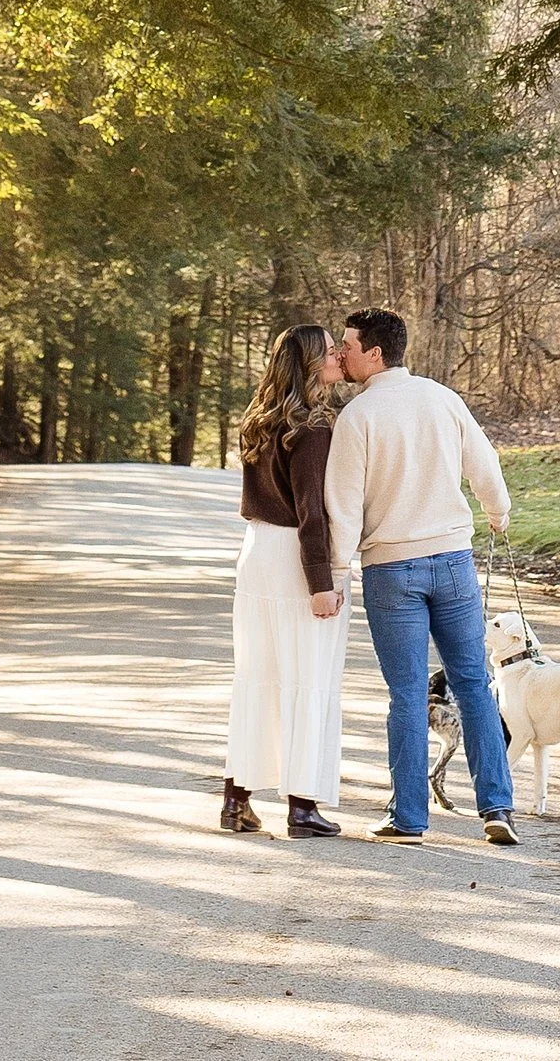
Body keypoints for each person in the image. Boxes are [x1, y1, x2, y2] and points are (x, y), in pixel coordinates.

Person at [324, 305, 519, 847]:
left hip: (390, 568)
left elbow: (341, 505)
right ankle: (497, 806)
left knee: (407, 693)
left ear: (374, 353)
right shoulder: (443, 398)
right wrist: (497, 514)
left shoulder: (358, 418)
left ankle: (409, 817)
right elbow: (485, 464)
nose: (342, 354)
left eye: (348, 346)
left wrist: (337, 572)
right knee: (474, 685)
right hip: (453, 560)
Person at [222, 321, 351, 839]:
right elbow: (311, 513)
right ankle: (302, 807)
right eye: (329, 353)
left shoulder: (260, 418)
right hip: (296, 555)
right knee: (307, 676)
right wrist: (322, 580)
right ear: (310, 365)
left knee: (258, 677)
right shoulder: (314, 426)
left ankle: (237, 800)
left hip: (256, 551)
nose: (340, 356)